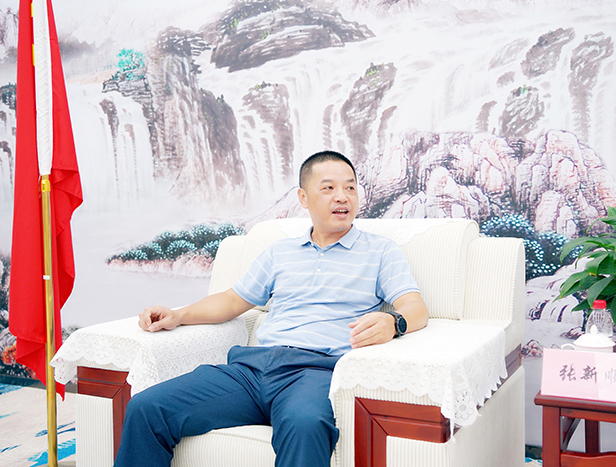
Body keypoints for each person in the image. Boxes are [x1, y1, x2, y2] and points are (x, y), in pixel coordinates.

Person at [113, 150, 429, 467]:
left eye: (350, 187)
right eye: (329, 188)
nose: (342, 197)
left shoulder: (380, 251)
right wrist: (178, 315)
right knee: (146, 407)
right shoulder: (281, 252)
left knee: (305, 425)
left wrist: (393, 323)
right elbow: (233, 300)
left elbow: (415, 307)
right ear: (303, 198)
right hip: (253, 370)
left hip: (316, 372)